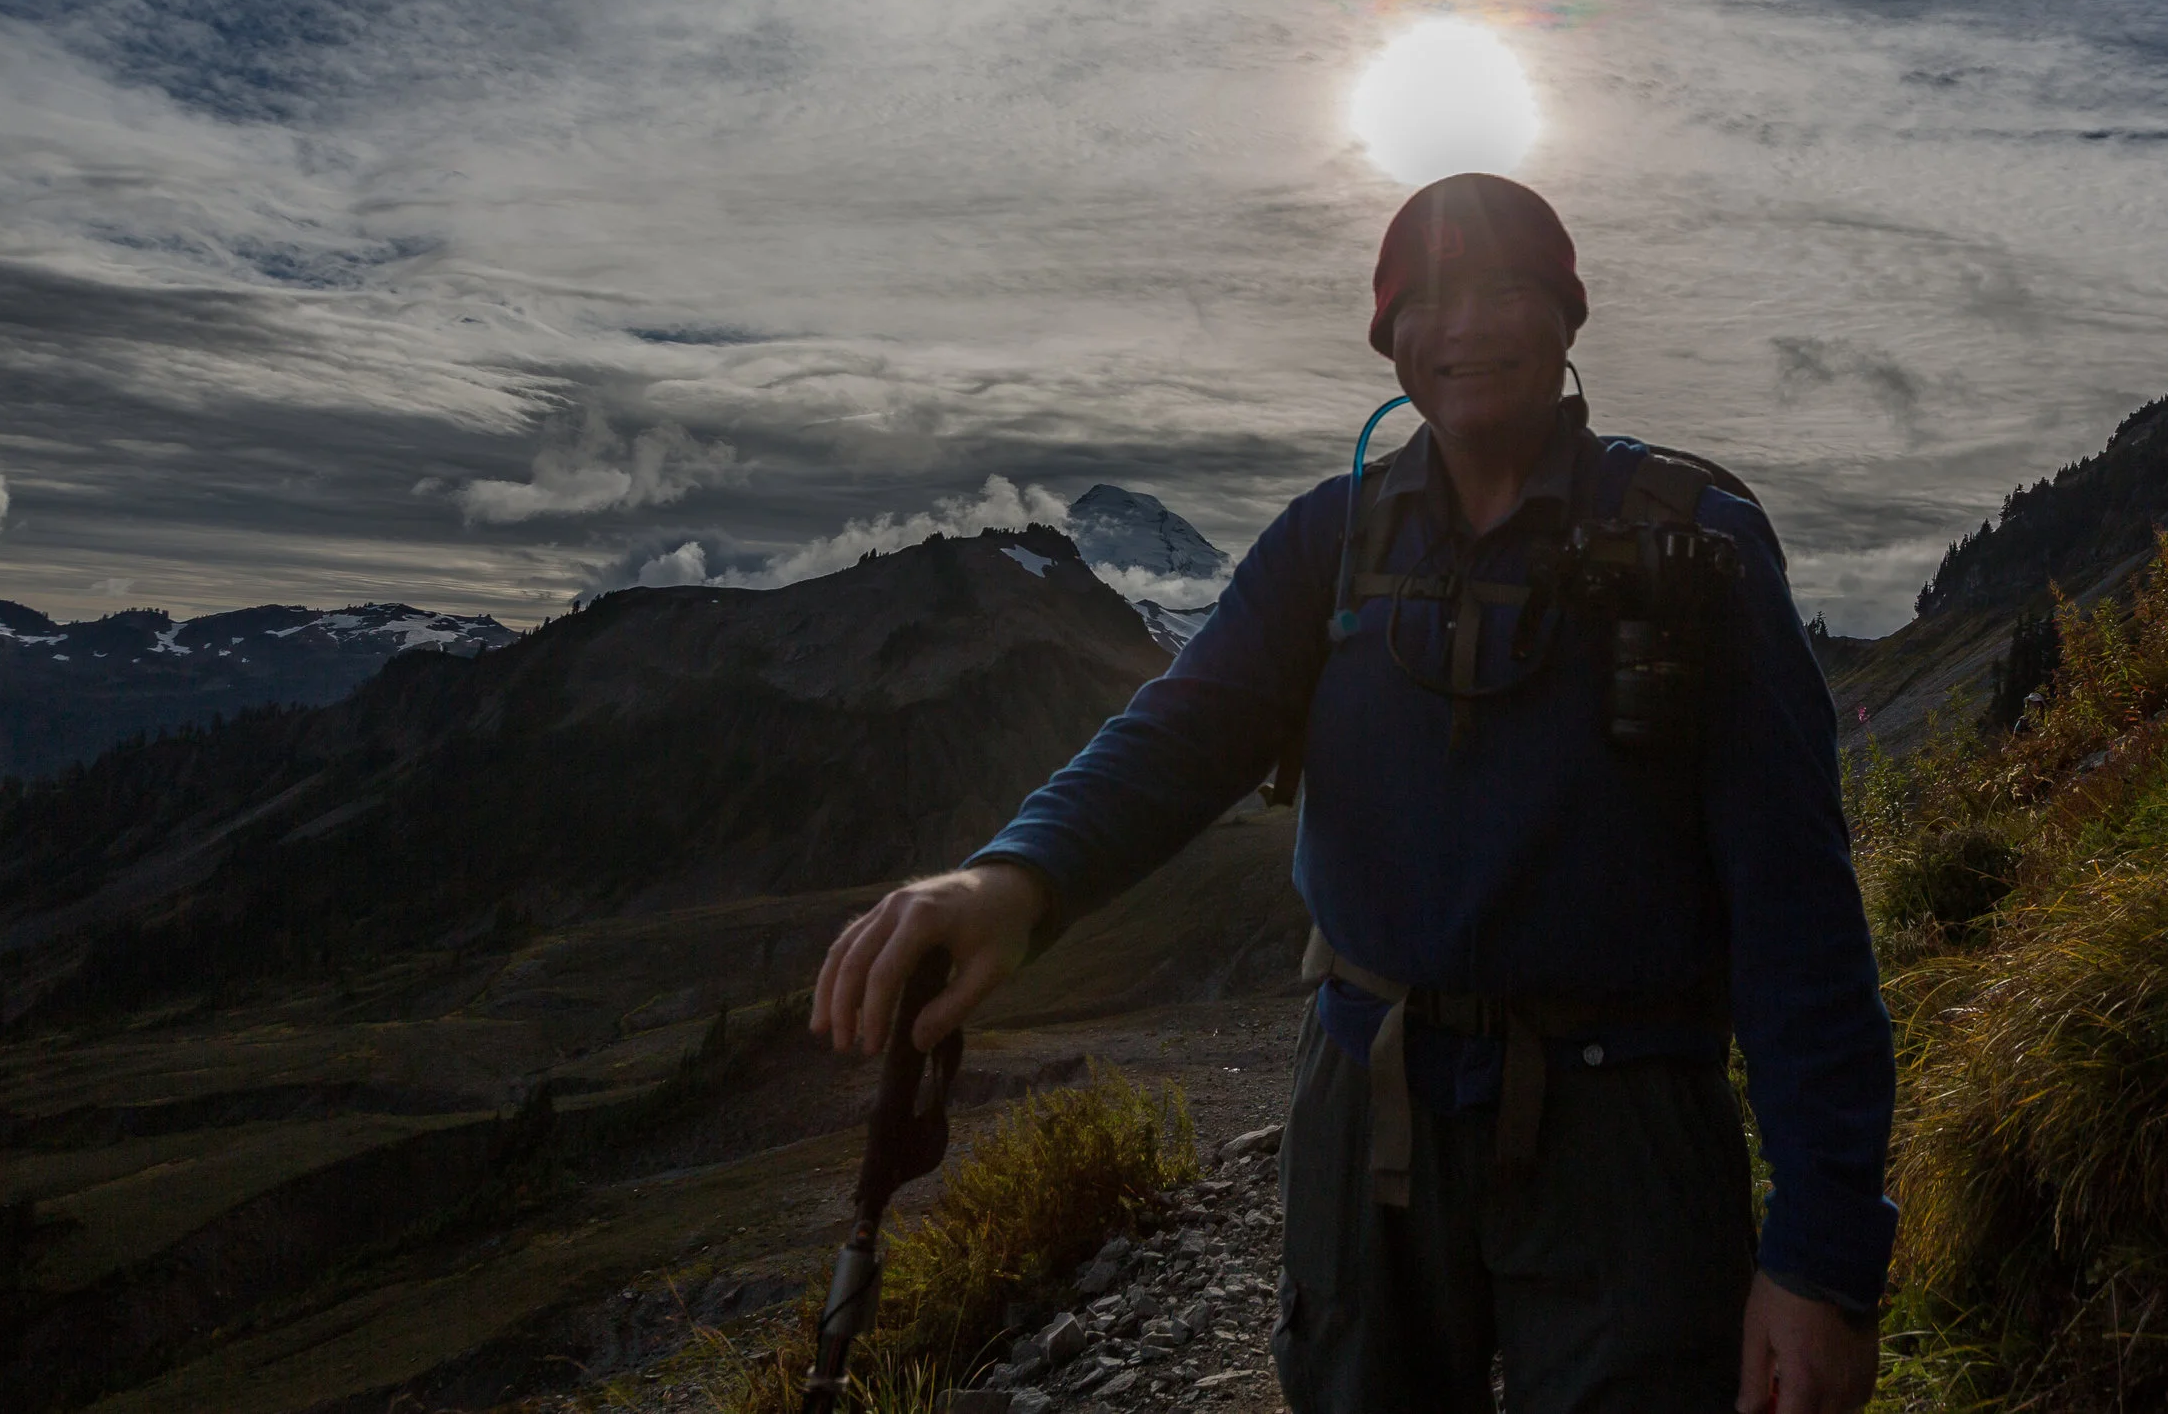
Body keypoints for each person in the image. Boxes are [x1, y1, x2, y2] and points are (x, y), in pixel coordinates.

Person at [811, 173, 1895, 1414]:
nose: (1465, 324)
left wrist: (1821, 1258)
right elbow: (1182, 730)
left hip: (1627, 1120)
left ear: (1566, 317)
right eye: (1428, 297)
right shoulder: (1328, 542)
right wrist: (1013, 875)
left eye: (1505, 288)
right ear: (1389, 336)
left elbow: (1799, 907)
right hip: (1364, 1099)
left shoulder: (1696, 546)